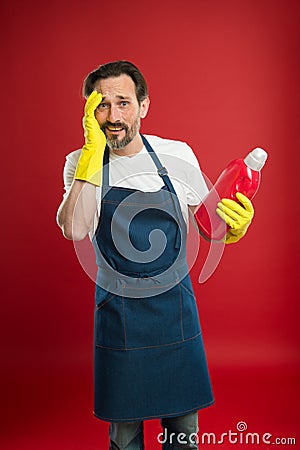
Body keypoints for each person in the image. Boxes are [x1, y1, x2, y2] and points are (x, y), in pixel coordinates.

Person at [56, 61, 254, 450]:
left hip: (175, 312)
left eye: (124, 103)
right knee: (125, 438)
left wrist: (233, 228)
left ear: (144, 105)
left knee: (183, 435)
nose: (113, 117)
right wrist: (91, 158)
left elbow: (208, 224)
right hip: (120, 315)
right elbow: (74, 228)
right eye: (102, 105)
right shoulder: (80, 163)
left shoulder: (176, 155)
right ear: (89, 112)